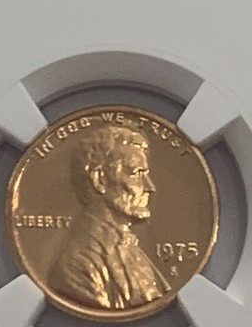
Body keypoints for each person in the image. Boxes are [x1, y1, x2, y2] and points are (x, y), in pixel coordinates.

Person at [48, 125, 170, 311]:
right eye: (136, 173)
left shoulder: (128, 247)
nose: (149, 187)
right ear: (100, 179)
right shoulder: (78, 265)